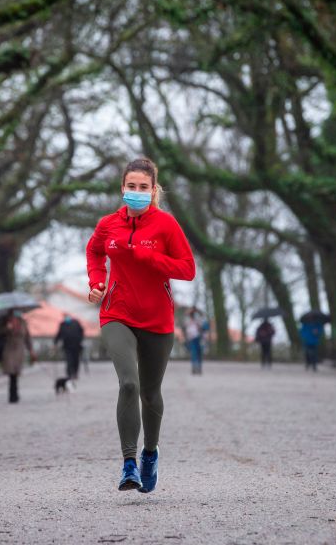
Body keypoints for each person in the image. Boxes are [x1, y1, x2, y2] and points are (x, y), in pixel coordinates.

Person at [86, 157, 196, 494]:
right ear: (122, 188)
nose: (136, 192)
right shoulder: (108, 225)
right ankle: (129, 463)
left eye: (143, 188)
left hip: (157, 320)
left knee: (150, 393)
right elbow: (94, 252)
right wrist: (97, 282)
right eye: (131, 186)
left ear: (153, 191)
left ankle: (150, 453)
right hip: (117, 313)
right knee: (129, 385)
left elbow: (187, 269)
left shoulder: (166, 226)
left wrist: (149, 257)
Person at [1, 309, 35, 403]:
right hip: (9, 350)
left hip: (19, 351)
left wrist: (31, 349)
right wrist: (7, 329)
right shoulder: (6, 322)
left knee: (16, 372)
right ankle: (12, 395)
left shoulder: (23, 323)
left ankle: (15, 393)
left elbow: (27, 337)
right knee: (11, 373)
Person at [54, 314, 85, 379]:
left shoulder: (76, 323)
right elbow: (59, 333)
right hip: (67, 346)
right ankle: (69, 374)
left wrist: (80, 340)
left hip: (76, 346)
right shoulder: (62, 324)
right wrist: (55, 342)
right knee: (69, 360)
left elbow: (81, 331)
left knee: (76, 360)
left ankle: (75, 373)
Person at [183, 309, 204, 375]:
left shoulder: (197, 320)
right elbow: (185, 315)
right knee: (194, 353)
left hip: (197, 338)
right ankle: (195, 369)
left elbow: (202, 316)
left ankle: (199, 369)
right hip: (191, 339)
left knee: (198, 354)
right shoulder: (188, 320)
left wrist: (196, 310)